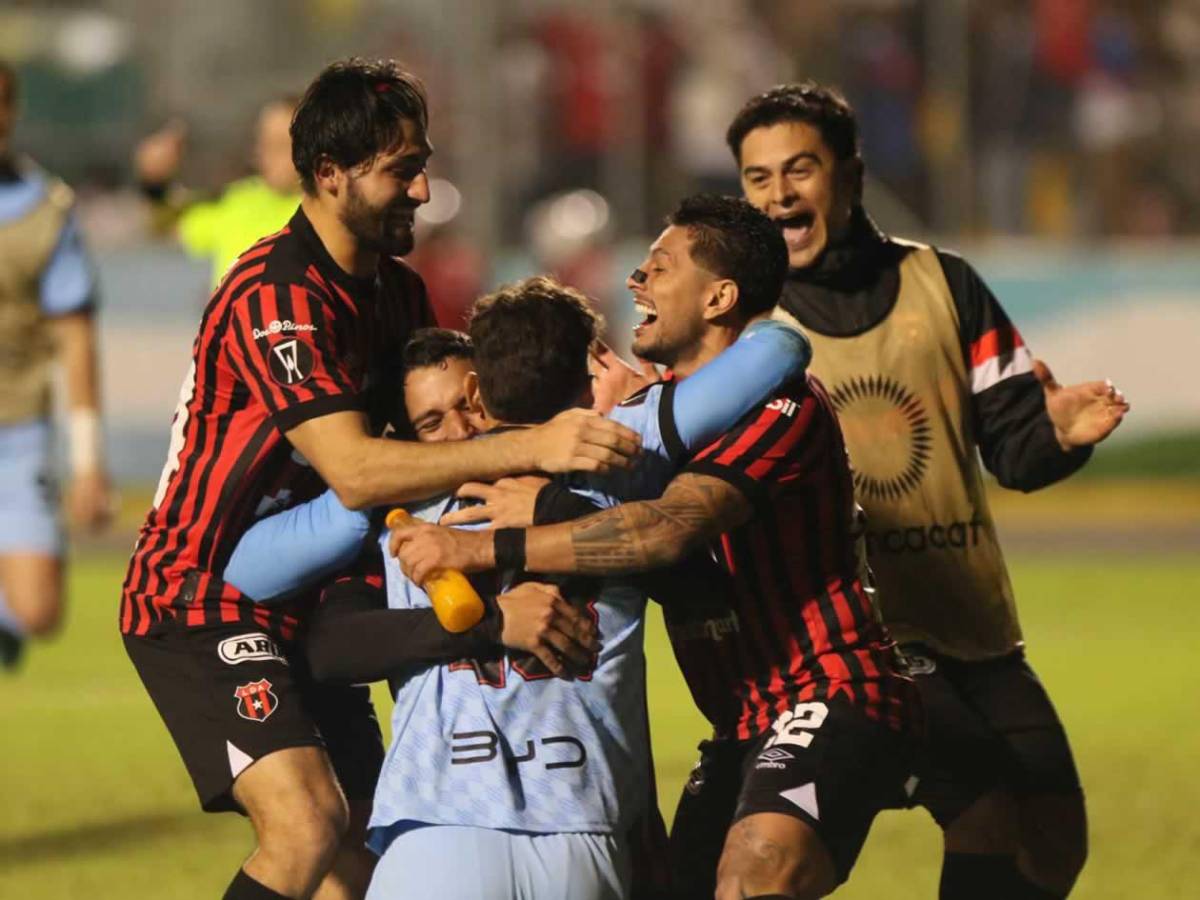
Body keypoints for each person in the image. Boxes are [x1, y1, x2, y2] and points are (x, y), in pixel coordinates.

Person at [120, 58, 640, 900]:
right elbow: (360, 471)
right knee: (306, 824)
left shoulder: (398, 293)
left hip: (312, 596)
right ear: (330, 173)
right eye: (402, 170)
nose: (423, 190)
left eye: (422, 164)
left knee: (365, 865)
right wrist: (538, 447)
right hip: (200, 594)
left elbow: (439, 444)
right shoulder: (274, 296)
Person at [392, 195, 917, 900]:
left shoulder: (781, 405)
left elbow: (667, 531)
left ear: (718, 297)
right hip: (740, 720)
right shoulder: (649, 410)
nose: (635, 279)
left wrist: (491, 545)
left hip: (829, 688)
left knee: (755, 875)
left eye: (660, 267)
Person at [725, 83, 1131, 899]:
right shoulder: (743, 323)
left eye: (799, 169)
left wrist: (1057, 435)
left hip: (972, 629)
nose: (778, 195)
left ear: (850, 175)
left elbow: (1013, 449)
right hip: (854, 643)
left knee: (1053, 842)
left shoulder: (945, 284)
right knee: (982, 814)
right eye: (758, 178)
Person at [0, 60, 113, 668]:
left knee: (39, 611)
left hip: (18, 426)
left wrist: (88, 464)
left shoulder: (44, 209)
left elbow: (75, 338)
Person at [135, 96, 303, 286]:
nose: (266, 155)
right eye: (263, 143)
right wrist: (154, 181)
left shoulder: (321, 210)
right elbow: (164, 225)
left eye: (279, 145)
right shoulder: (238, 200)